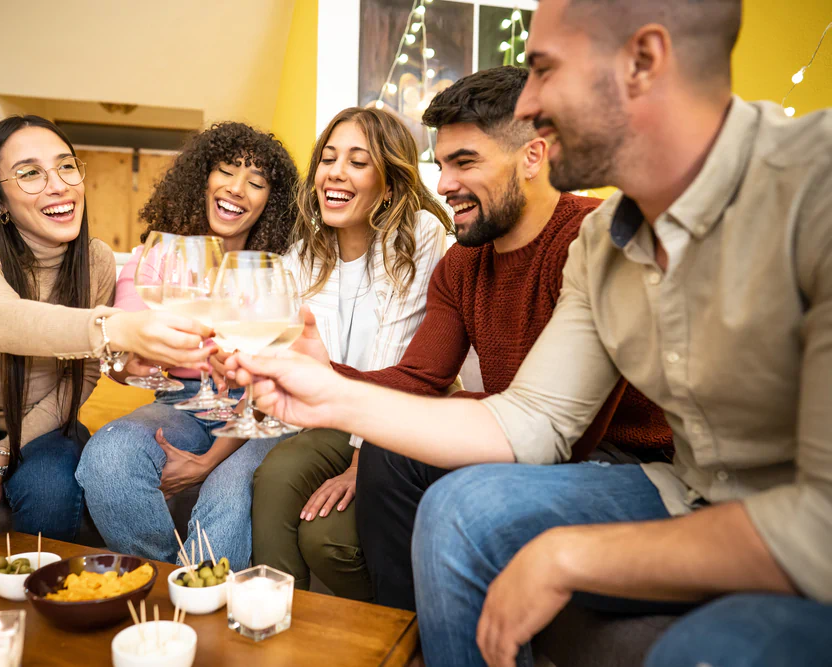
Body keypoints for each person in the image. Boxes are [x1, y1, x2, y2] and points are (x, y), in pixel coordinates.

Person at [229, 0, 832, 664]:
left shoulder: (815, 189)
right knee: (459, 507)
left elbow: (819, 521)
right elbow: (531, 418)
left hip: (763, 507)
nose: (531, 100)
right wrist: (324, 387)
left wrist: (567, 552)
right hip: (682, 491)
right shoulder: (605, 243)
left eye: (543, 69)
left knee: (705, 651)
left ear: (644, 61)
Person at [263, 67, 672, 609]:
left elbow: (568, 431)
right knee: (388, 451)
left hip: (619, 457)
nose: (444, 185)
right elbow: (418, 378)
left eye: (465, 162)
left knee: (449, 486)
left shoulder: (590, 240)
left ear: (533, 156)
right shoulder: (463, 263)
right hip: (515, 435)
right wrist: (323, 372)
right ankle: (403, 628)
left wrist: (453, 405)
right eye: (441, 164)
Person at [0, 115, 213, 546]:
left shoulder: (93, 259)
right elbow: (2, 320)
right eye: (30, 174)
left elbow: (83, 376)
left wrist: (2, 454)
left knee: (52, 489)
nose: (58, 184)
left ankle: (39, 602)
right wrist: (119, 327)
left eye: (66, 166)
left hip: (40, 422)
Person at [75, 122, 299, 570]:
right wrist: (124, 363)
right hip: (180, 404)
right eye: (227, 171)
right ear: (203, 177)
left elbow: (275, 383)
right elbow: (123, 355)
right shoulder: (157, 258)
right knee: (108, 457)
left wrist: (208, 461)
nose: (237, 189)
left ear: (268, 203)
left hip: (260, 411)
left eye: (256, 183)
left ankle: (204, 606)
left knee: (229, 492)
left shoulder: (278, 270)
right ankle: (158, 581)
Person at [250, 107, 452, 599]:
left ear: (389, 183)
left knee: (326, 540)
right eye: (328, 158)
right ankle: (274, 630)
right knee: (274, 477)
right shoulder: (304, 252)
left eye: (358, 162)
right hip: (330, 416)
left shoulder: (420, 235)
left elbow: (397, 364)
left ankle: (389, 635)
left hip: (400, 414)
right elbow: (286, 351)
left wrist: (363, 463)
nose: (335, 173)